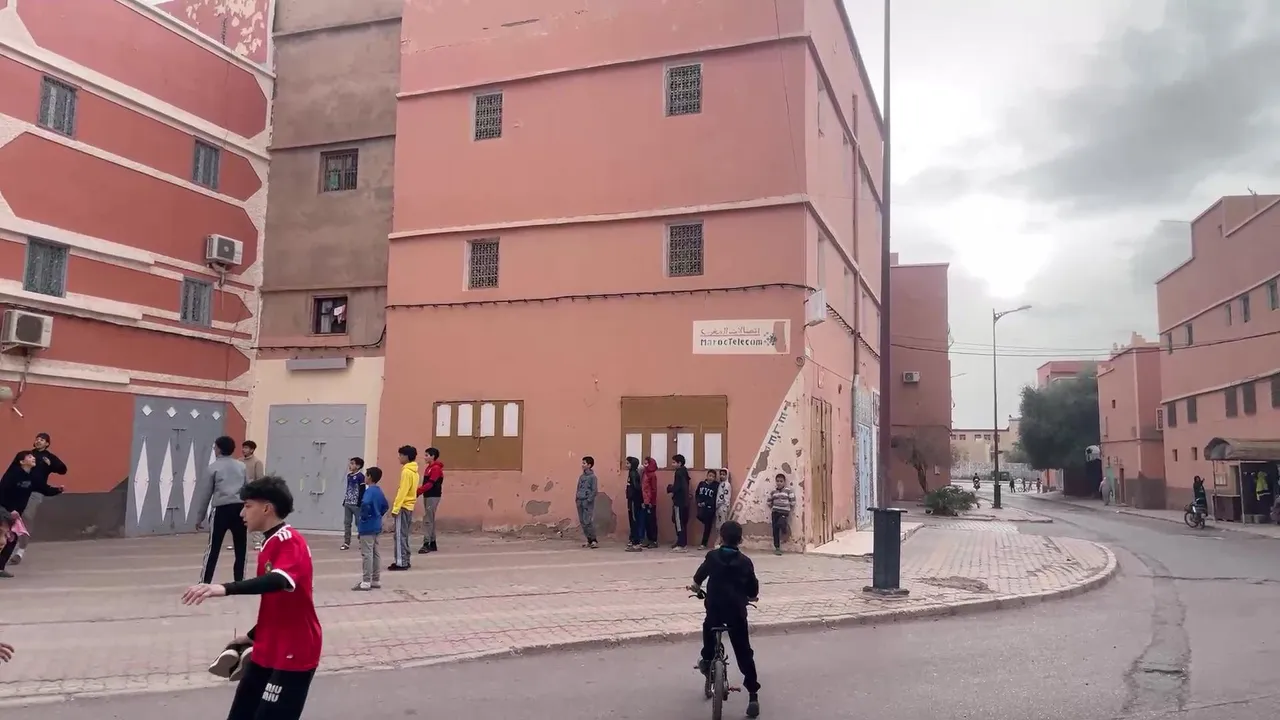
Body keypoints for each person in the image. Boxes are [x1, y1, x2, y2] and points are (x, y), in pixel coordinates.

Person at [183, 476, 322, 720]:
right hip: (267, 646)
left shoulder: (289, 540)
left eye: (247, 506)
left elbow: (279, 580)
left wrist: (224, 588)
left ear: (267, 508)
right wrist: (252, 635)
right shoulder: (269, 542)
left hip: (295, 649)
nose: (241, 513)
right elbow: (280, 604)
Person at [692, 520, 761, 719]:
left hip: (715, 610)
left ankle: (707, 660)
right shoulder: (745, 562)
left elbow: (698, 578)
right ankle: (753, 696)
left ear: (721, 537)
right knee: (744, 653)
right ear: (740, 540)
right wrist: (751, 597)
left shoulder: (712, 557)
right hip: (736, 613)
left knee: (708, 629)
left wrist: (696, 587)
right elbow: (753, 589)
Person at [1, 433, 67, 567]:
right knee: (8, 525)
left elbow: (61, 471)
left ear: (47, 443)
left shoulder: (48, 458)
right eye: (37, 439)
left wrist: (52, 467)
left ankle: (17, 553)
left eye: (42, 440)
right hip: (12, 498)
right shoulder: (23, 461)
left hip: (34, 491)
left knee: (24, 520)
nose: (38, 441)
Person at [193, 436, 249, 584]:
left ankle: (205, 581)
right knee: (241, 547)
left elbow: (206, 494)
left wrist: (199, 517)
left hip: (221, 510)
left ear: (218, 449)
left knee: (213, 548)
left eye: (215, 447)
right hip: (239, 509)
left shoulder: (213, 468)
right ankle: (240, 581)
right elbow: (247, 489)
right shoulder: (241, 466)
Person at [354, 467, 389, 591]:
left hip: (367, 526)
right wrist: (378, 514)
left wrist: (364, 517)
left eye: (366, 475)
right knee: (375, 553)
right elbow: (385, 506)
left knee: (367, 553)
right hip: (376, 525)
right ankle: (376, 579)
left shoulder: (369, 491)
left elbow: (365, 504)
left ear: (369, 476)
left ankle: (366, 581)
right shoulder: (379, 491)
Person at [389, 446, 419, 571]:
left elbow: (403, 491)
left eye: (400, 455)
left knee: (399, 535)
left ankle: (401, 562)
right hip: (409, 506)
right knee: (403, 534)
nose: (399, 457)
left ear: (406, 456)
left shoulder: (406, 472)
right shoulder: (415, 472)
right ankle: (405, 559)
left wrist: (395, 508)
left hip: (403, 506)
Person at [416, 447, 444, 554]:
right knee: (430, 518)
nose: (425, 457)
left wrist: (419, 491)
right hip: (428, 495)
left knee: (428, 519)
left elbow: (430, 483)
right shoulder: (429, 468)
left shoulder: (435, 469)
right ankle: (432, 542)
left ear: (433, 456)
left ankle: (426, 543)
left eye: (427, 455)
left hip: (433, 496)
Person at [242, 440, 266, 551]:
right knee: (240, 520)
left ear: (252, 450)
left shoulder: (257, 462)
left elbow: (260, 479)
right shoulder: (239, 462)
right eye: (243, 447)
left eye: (246, 448)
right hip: (240, 494)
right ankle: (239, 541)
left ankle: (258, 541)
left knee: (253, 518)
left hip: (252, 495)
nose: (244, 450)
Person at [340, 457, 366, 551]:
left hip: (356, 504)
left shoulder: (361, 476)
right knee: (347, 523)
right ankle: (346, 542)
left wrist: (360, 502)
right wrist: (345, 500)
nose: (350, 465)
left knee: (359, 523)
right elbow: (348, 489)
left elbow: (362, 490)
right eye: (350, 463)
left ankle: (362, 542)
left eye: (352, 463)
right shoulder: (349, 476)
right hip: (348, 503)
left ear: (358, 466)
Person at [767, 473, 795, 556]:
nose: (779, 483)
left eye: (781, 481)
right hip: (775, 512)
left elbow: (792, 501)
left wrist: (788, 507)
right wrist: (773, 507)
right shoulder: (773, 492)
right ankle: (777, 548)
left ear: (784, 482)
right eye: (777, 481)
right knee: (775, 530)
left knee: (781, 523)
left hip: (784, 512)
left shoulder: (788, 491)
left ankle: (784, 529)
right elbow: (769, 501)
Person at [669, 454, 691, 551]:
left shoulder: (678, 473)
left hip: (679, 502)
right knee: (682, 522)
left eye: (674, 462)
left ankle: (681, 544)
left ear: (679, 463)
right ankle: (681, 542)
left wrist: (670, 488)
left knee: (679, 523)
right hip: (685, 501)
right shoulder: (684, 472)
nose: (672, 464)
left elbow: (678, 487)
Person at [576, 456, 599, 549]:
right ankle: (588, 540)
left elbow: (594, 490)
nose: (582, 465)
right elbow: (578, 488)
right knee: (582, 521)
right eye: (582, 463)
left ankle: (594, 540)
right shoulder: (581, 477)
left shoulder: (593, 477)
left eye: (584, 463)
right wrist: (577, 498)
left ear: (589, 465)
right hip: (579, 500)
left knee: (587, 521)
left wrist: (588, 500)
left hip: (587, 502)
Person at [695, 470, 720, 550]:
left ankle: (703, 544)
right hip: (701, 508)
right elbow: (697, 494)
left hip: (710, 509)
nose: (711, 478)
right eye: (710, 476)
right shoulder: (701, 484)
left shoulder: (716, 486)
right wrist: (698, 502)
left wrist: (705, 503)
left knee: (707, 526)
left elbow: (714, 497)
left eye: (713, 477)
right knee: (699, 516)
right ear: (707, 476)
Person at [624, 456, 645, 551]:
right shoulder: (631, 473)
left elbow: (637, 488)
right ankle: (633, 540)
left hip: (634, 501)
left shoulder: (633, 474)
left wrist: (634, 497)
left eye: (628, 463)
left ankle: (636, 543)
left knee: (634, 520)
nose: (626, 465)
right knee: (632, 521)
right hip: (632, 500)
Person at [642, 457, 659, 548]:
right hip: (645, 501)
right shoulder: (644, 473)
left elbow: (653, 489)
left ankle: (654, 540)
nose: (644, 465)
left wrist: (651, 501)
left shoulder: (652, 475)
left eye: (646, 463)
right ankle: (649, 539)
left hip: (650, 502)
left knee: (651, 521)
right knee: (646, 521)